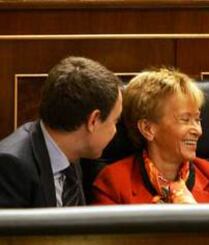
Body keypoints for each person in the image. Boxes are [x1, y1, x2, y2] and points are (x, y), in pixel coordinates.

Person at [92, 68, 209, 204]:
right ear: (148, 129)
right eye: (185, 119)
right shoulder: (113, 183)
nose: (198, 130)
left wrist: (196, 217)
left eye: (197, 119)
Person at [0, 56, 123, 208]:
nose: (115, 131)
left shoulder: (74, 150)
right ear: (93, 121)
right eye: (115, 121)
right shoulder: (11, 167)